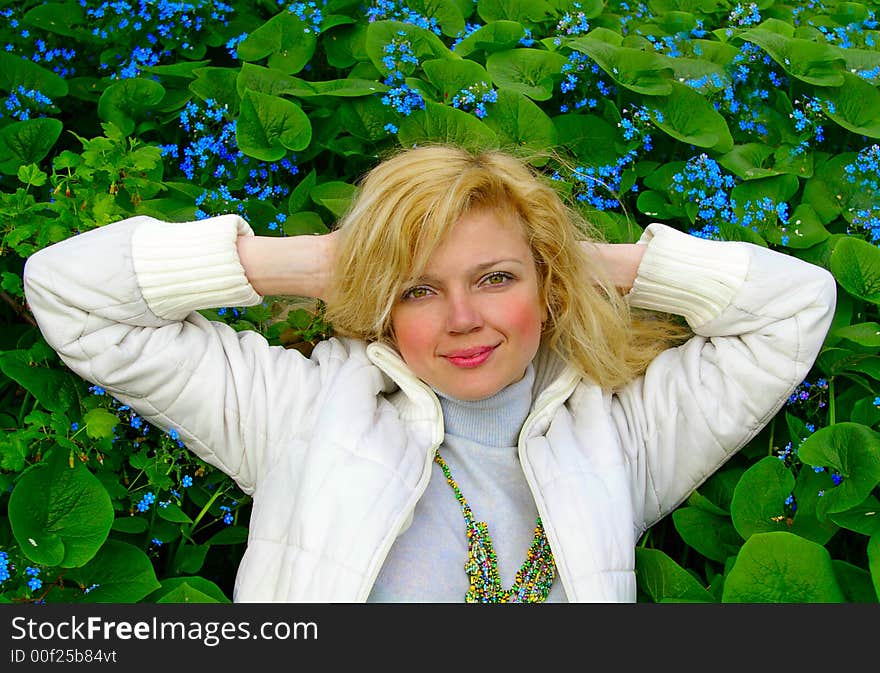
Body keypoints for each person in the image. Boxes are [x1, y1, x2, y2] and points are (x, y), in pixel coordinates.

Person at [22, 143, 836, 603]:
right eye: (418, 288)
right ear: (381, 300)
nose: (462, 320)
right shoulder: (299, 411)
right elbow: (69, 294)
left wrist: (585, 262)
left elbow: (795, 307)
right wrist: (314, 262)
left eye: (496, 279)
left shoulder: (619, 435)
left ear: (547, 286)